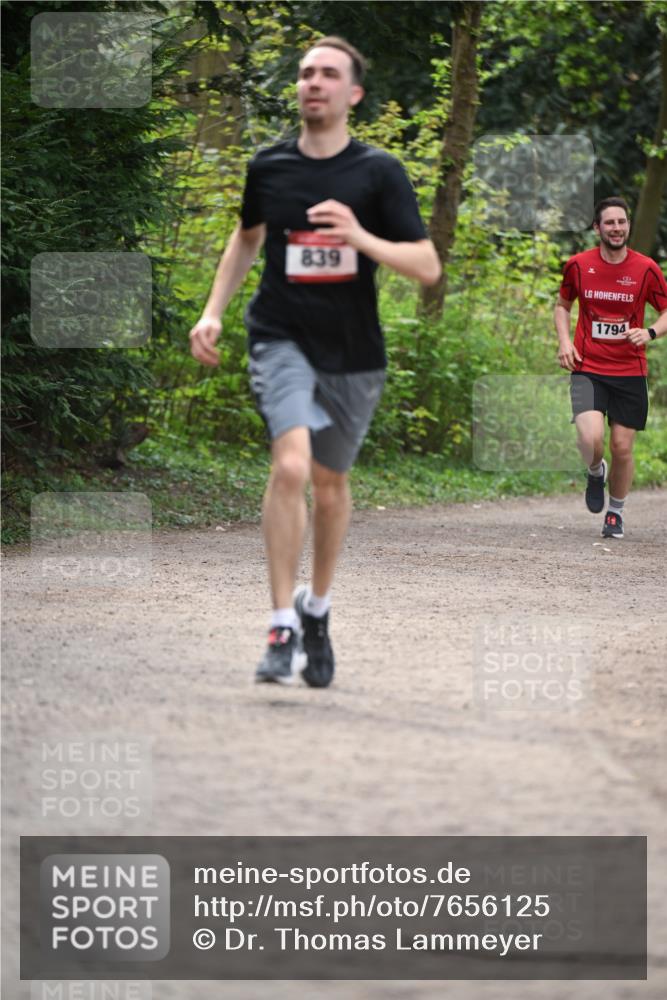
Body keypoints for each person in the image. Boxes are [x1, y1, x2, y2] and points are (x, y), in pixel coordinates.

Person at [189, 36, 440, 685]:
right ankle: (280, 625)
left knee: (330, 489)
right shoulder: (269, 166)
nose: (313, 83)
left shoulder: (377, 172)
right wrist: (213, 310)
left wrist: (358, 235)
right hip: (280, 335)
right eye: (305, 73)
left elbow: (426, 266)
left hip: (354, 353)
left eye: (327, 74)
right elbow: (246, 240)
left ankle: (316, 609)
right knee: (291, 465)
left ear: (352, 92)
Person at [554, 196, 667, 538]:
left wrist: (649, 332)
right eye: (610, 223)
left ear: (628, 225)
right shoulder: (577, 265)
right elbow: (562, 306)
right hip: (588, 365)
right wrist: (564, 341)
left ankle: (615, 512)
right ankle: (594, 470)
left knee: (622, 446)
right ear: (597, 228)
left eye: (622, 222)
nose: (616, 228)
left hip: (629, 370)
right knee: (590, 439)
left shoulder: (646, 268)